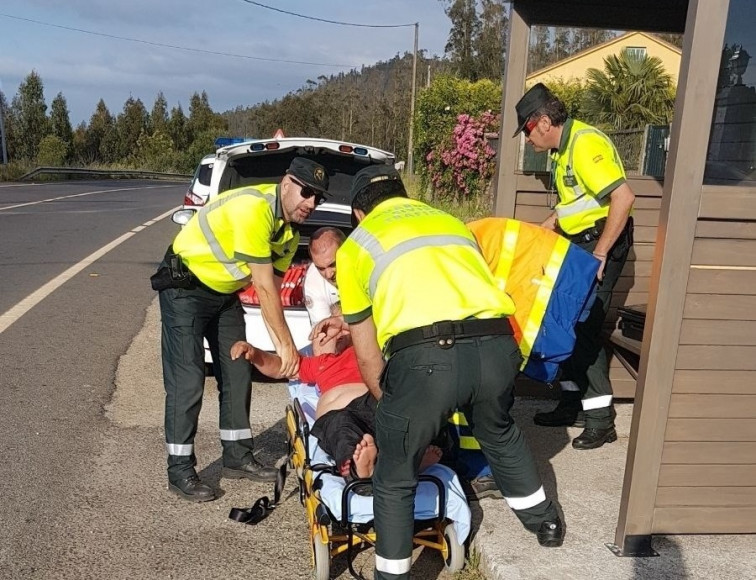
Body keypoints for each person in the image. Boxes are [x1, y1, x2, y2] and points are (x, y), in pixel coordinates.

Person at [326, 165, 564, 579]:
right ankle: (545, 521)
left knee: (396, 471)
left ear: (359, 214)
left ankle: (392, 574)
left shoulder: (356, 246)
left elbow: (366, 355)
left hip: (425, 358)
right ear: (406, 197)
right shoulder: (452, 223)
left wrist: (396, 408)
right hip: (495, 346)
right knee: (499, 431)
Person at [153, 157, 330, 502]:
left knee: (237, 371)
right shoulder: (256, 209)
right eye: (306, 192)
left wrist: (284, 350)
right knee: (187, 379)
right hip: (185, 288)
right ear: (286, 182)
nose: (310, 203)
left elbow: (272, 297)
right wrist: (287, 350)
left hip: (223, 295)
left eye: (317, 198)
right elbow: (263, 289)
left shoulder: (289, 234)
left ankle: (237, 456)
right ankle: (179, 470)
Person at [513, 82, 635, 450]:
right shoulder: (560, 151)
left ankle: (601, 419)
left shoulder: (585, 144)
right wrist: (539, 232)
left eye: (529, 131)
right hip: (579, 244)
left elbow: (623, 197)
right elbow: (572, 206)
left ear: (545, 122)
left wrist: (599, 254)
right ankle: (571, 402)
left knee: (582, 326)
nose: (528, 140)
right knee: (562, 321)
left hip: (600, 245)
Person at [230, 310, 442, 481]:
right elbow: (281, 367)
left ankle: (413, 455)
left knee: (411, 417)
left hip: (374, 404)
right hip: (340, 415)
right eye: (328, 331)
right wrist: (255, 354)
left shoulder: (371, 350)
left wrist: (349, 325)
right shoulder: (320, 362)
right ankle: (362, 469)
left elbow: (379, 330)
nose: (338, 334)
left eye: (346, 330)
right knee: (342, 434)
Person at [303, 227, 345, 327]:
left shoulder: (364, 263)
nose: (328, 274)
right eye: (321, 268)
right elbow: (323, 333)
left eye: (333, 264)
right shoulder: (313, 280)